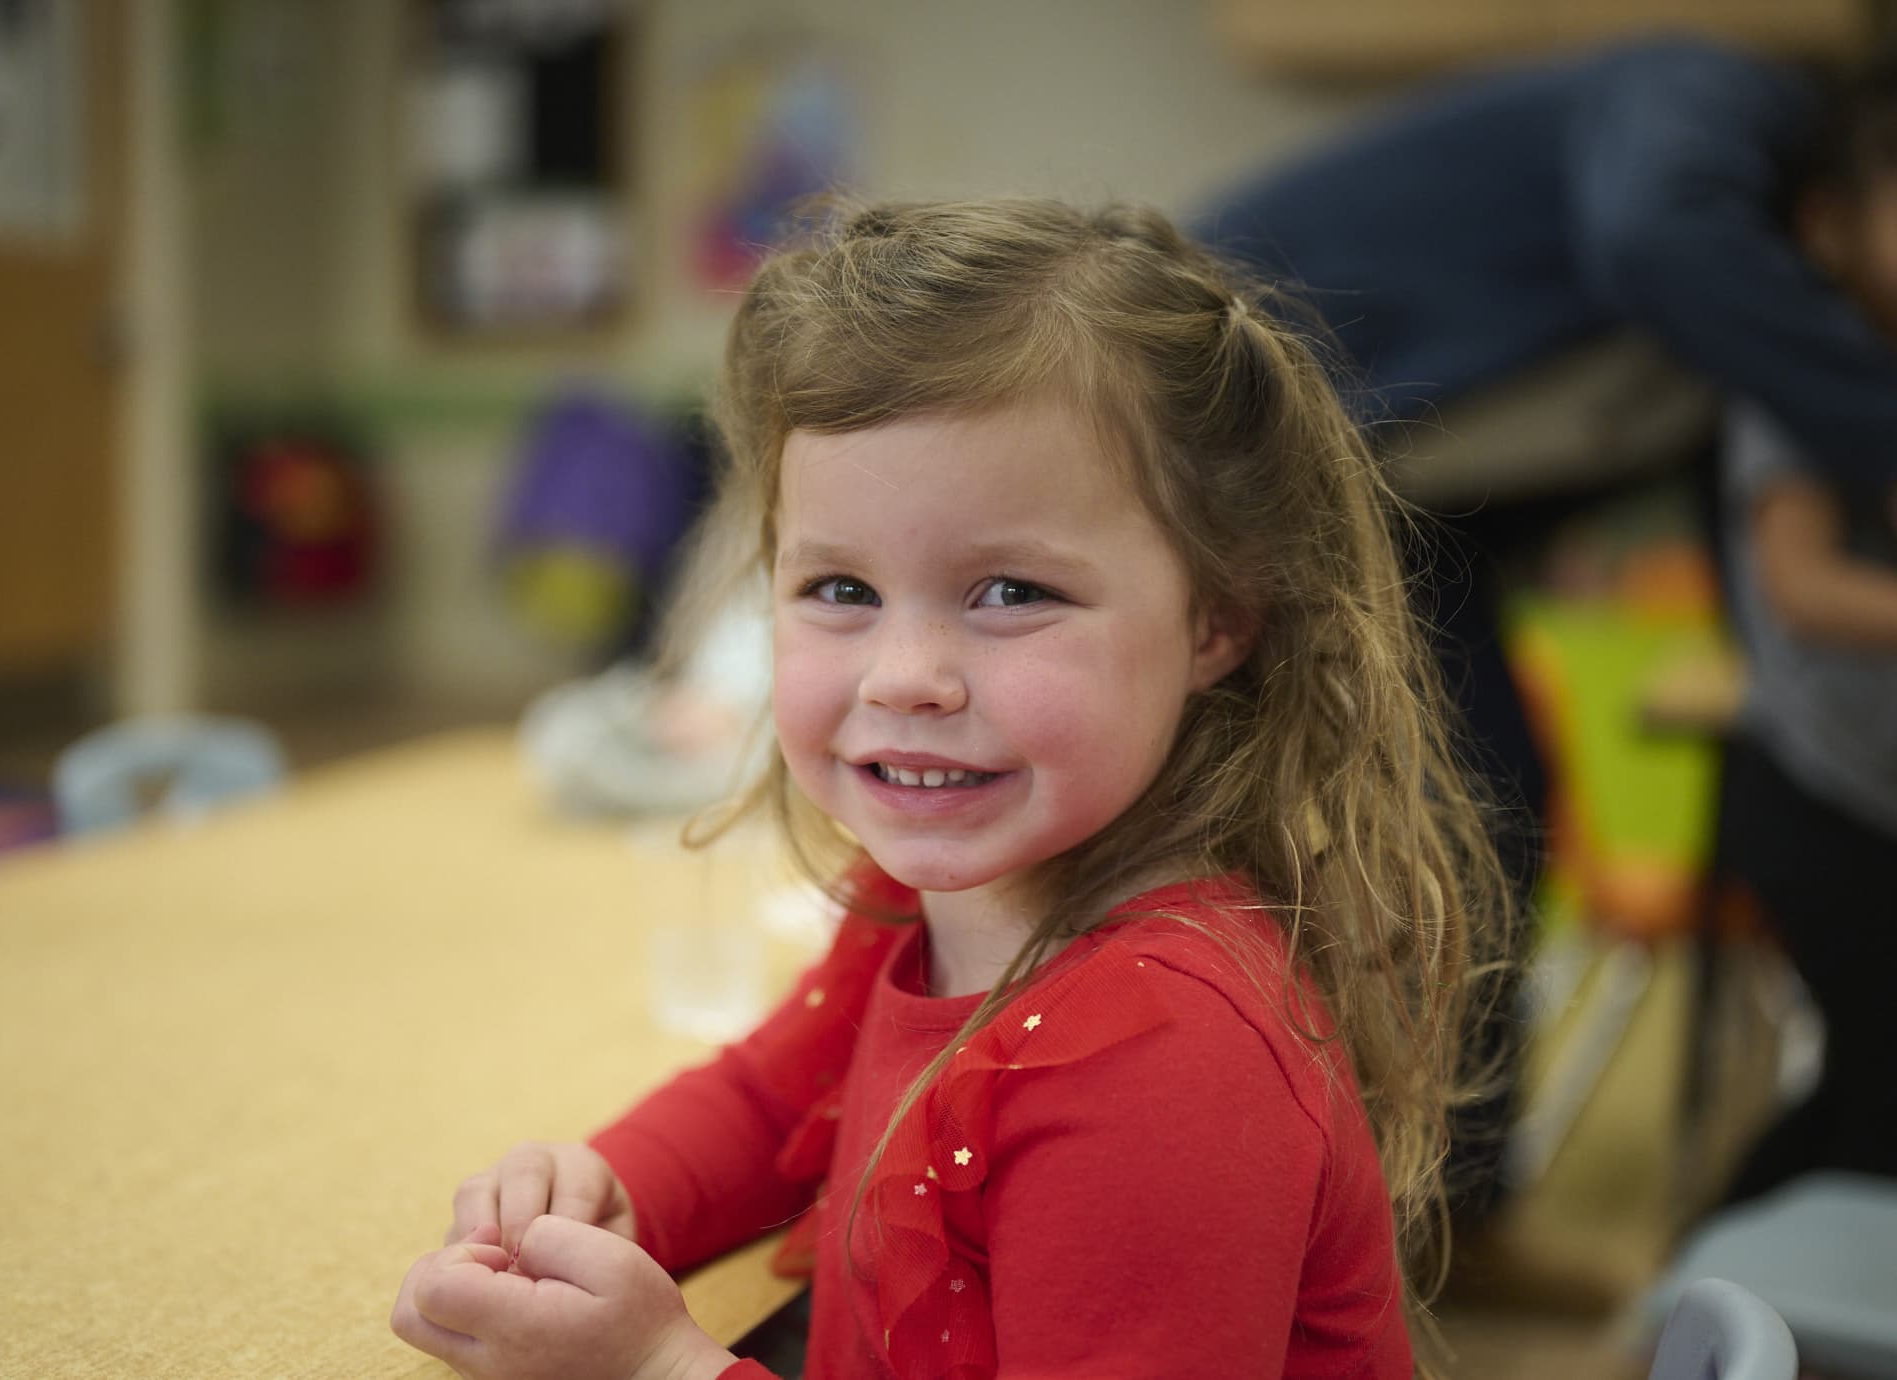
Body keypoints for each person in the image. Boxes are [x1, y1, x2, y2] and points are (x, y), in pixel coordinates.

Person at [389, 200, 1509, 1380]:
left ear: (1217, 619)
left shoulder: (1160, 1065)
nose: (907, 677)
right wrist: (599, 1193)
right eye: (840, 589)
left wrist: (656, 1367)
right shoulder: (934, 893)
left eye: (1013, 592)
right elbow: (774, 1103)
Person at [1200, 38, 1897, 1214]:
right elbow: (1654, 234)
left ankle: (1451, 1213)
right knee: (1243, 843)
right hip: (1235, 425)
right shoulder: (1713, 98)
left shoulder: (1769, 336)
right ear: (1833, 203)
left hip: (1411, 523)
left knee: (1488, 823)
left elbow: (1757, 569)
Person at [1711, 56, 1897, 1203]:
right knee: (1876, 1104)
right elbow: (1801, 583)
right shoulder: (1798, 367)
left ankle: (1701, 1299)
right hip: (1819, 801)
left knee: (1864, 1097)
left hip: (1873, 798)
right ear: (1829, 227)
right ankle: (1725, 1307)